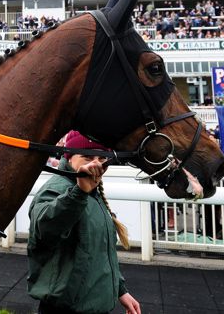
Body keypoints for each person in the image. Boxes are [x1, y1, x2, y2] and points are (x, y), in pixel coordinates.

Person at [28, 130, 141, 314]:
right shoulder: (57, 188)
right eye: (87, 157)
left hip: (92, 305)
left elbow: (99, 253)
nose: (96, 163)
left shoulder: (92, 192)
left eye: (101, 157)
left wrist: (121, 291)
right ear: (69, 157)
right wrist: (79, 193)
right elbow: (44, 229)